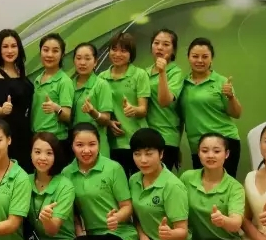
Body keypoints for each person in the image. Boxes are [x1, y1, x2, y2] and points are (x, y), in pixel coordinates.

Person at [128, 128, 198, 240]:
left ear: (161, 154)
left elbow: (182, 232)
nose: (143, 160)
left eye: (149, 154)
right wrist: (144, 239)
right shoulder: (134, 180)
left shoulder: (173, 186)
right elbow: (136, 218)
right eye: (137, 154)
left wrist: (170, 233)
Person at [179, 37, 242, 177]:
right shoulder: (182, 83)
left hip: (224, 142)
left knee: (224, 185)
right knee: (202, 185)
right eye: (195, 56)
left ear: (211, 59)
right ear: (188, 58)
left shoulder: (221, 81)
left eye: (205, 57)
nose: (200, 60)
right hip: (198, 146)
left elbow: (237, 113)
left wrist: (231, 97)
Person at [179, 133, 245, 240]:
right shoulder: (187, 177)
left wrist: (223, 220)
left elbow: (236, 224)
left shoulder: (235, 187)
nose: (210, 155)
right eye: (205, 151)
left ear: (226, 154)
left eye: (216, 151)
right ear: (198, 153)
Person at [99, 32, 150, 177]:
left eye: (123, 51)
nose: (117, 54)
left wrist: (133, 110)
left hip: (137, 140)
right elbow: (100, 111)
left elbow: (143, 109)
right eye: (114, 49)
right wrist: (109, 123)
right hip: (112, 142)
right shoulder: (102, 78)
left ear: (131, 54)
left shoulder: (139, 74)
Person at [0, 29, 34, 173]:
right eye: (5, 46)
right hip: (9, 135)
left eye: (13, 46)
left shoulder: (20, 72)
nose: (10, 50)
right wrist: (2, 110)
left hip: (25, 133)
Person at [31, 33, 74, 168]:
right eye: (46, 50)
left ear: (62, 54)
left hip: (56, 141)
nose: (49, 55)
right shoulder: (38, 79)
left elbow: (67, 116)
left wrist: (57, 108)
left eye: (55, 51)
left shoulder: (64, 81)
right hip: (38, 139)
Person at [145, 29, 183, 170]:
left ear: (173, 50)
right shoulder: (144, 72)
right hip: (145, 135)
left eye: (166, 44)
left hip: (166, 137)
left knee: (161, 180)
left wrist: (162, 73)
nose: (160, 47)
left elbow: (164, 101)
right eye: (156, 43)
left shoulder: (176, 72)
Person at [71, 42, 114, 158]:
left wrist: (93, 112)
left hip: (97, 147)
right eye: (78, 58)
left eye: (87, 58)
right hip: (75, 147)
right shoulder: (69, 85)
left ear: (95, 62)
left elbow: (106, 120)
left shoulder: (101, 85)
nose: (82, 62)